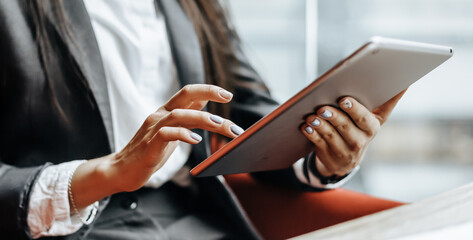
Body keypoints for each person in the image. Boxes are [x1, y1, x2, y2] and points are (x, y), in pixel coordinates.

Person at [0, 0, 404, 239]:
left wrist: (324, 156)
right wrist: (106, 174)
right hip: (68, 225)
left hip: (190, 215)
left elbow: (247, 111)